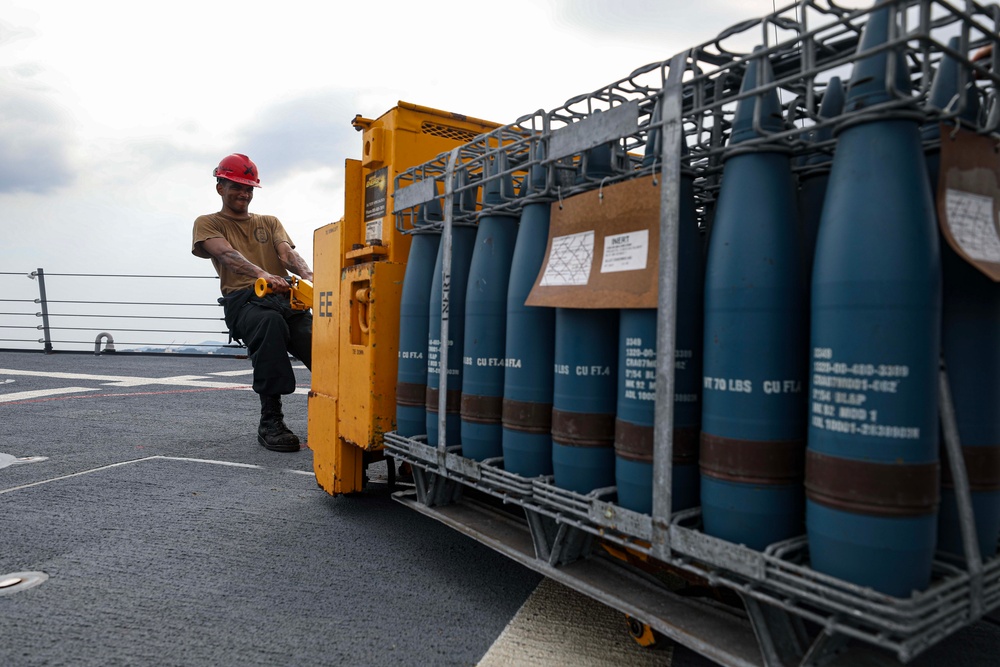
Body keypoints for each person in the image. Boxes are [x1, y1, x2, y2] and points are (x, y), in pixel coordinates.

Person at [192, 153, 314, 452]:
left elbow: (287, 255)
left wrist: (312, 277)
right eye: (236, 186)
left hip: (286, 299)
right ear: (220, 186)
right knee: (269, 325)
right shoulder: (208, 223)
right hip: (245, 302)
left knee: (321, 342)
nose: (243, 194)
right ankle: (270, 420)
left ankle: (344, 409)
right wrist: (262, 273)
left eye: (248, 188)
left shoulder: (269, 222)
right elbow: (226, 255)